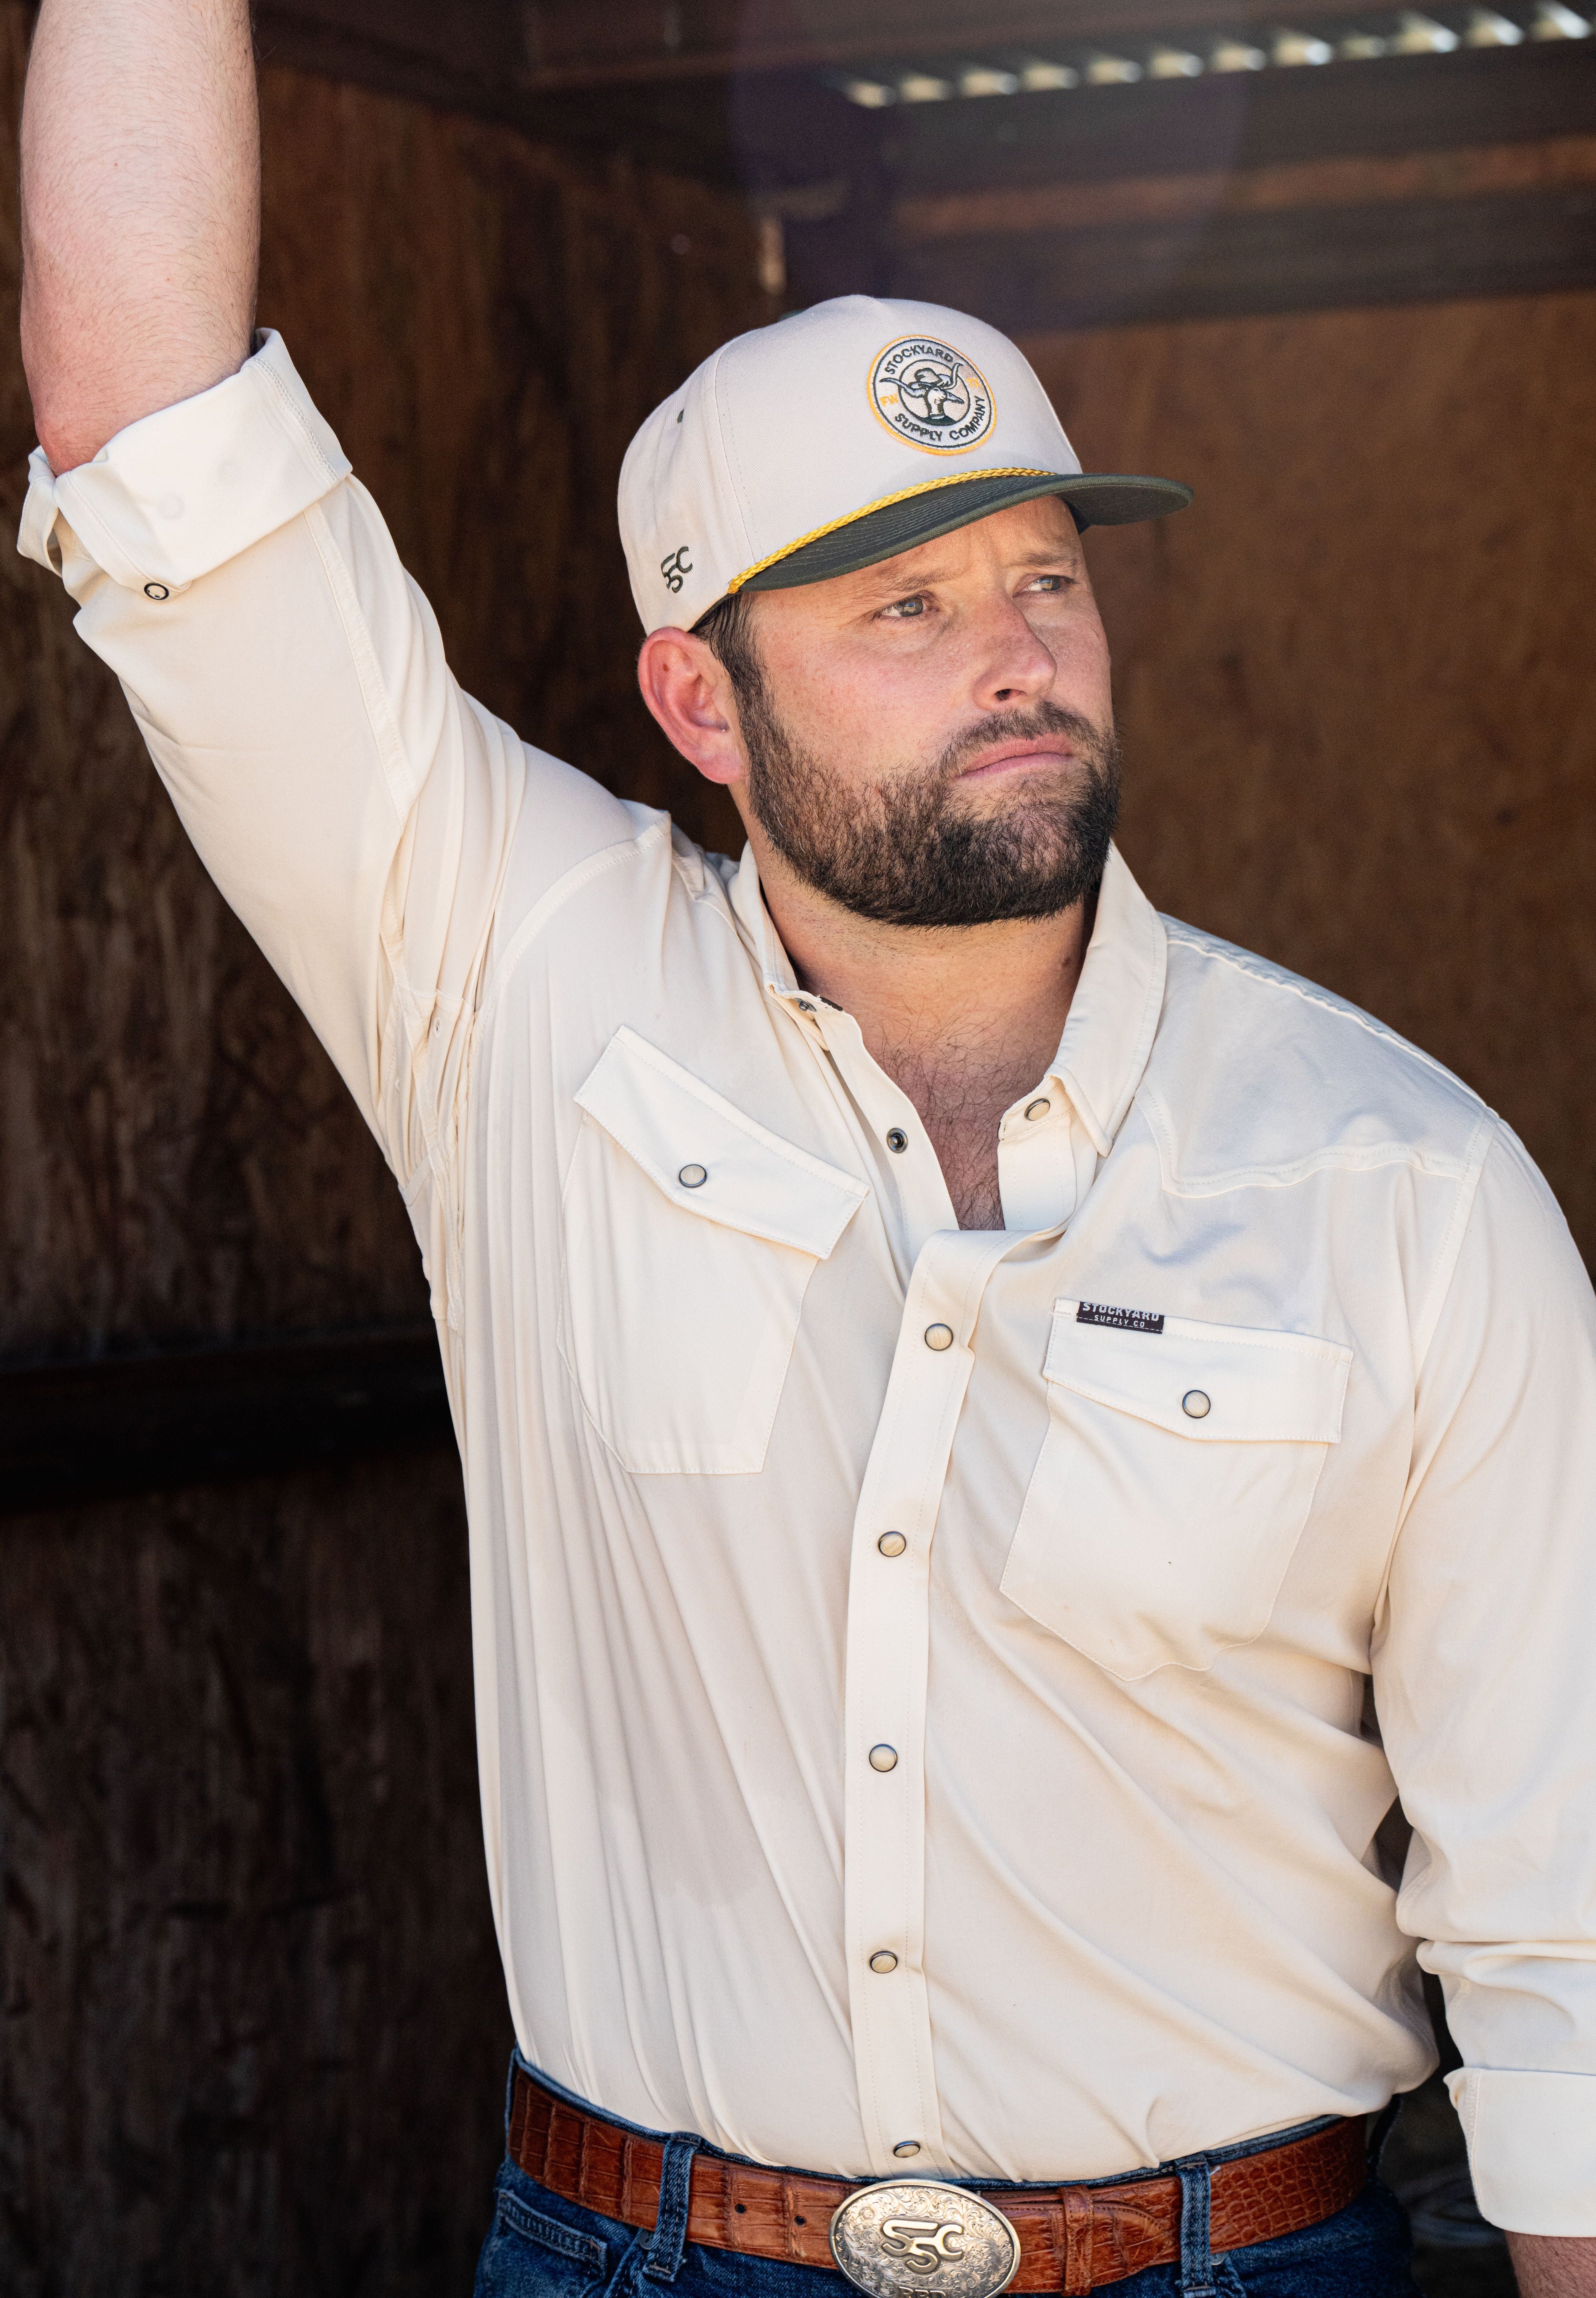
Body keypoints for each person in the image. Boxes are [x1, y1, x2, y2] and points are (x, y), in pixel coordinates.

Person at [17, 5, 1596, 2296]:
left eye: (1048, 574)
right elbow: (154, 433)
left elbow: (1569, 1928)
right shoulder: (515, 990)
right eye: (903, 606)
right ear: (698, 705)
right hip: (629, 2254)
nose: (1018, 654)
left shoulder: (1409, 1187)